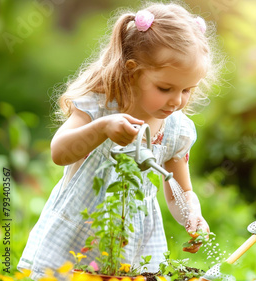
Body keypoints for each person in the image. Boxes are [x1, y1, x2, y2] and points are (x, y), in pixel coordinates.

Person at [18, 2, 221, 279]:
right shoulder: (100, 107)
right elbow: (59, 152)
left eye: (187, 90)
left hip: (135, 240)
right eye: (165, 88)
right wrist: (101, 129)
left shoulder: (176, 130)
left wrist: (192, 215)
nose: (177, 101)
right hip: (82, 228)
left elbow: (179, 190)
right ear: (133, 70)